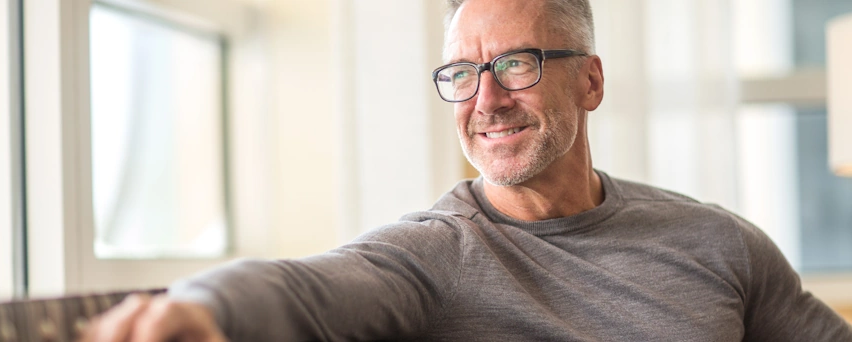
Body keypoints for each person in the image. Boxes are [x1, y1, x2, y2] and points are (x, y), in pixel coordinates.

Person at [83, 0, 852, 340]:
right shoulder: (434, 255)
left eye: (513, 64)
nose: (484, 100)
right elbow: (311, 287)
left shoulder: (717, 242)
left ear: (590, 80)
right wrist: (203, 307)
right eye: (460, 73)